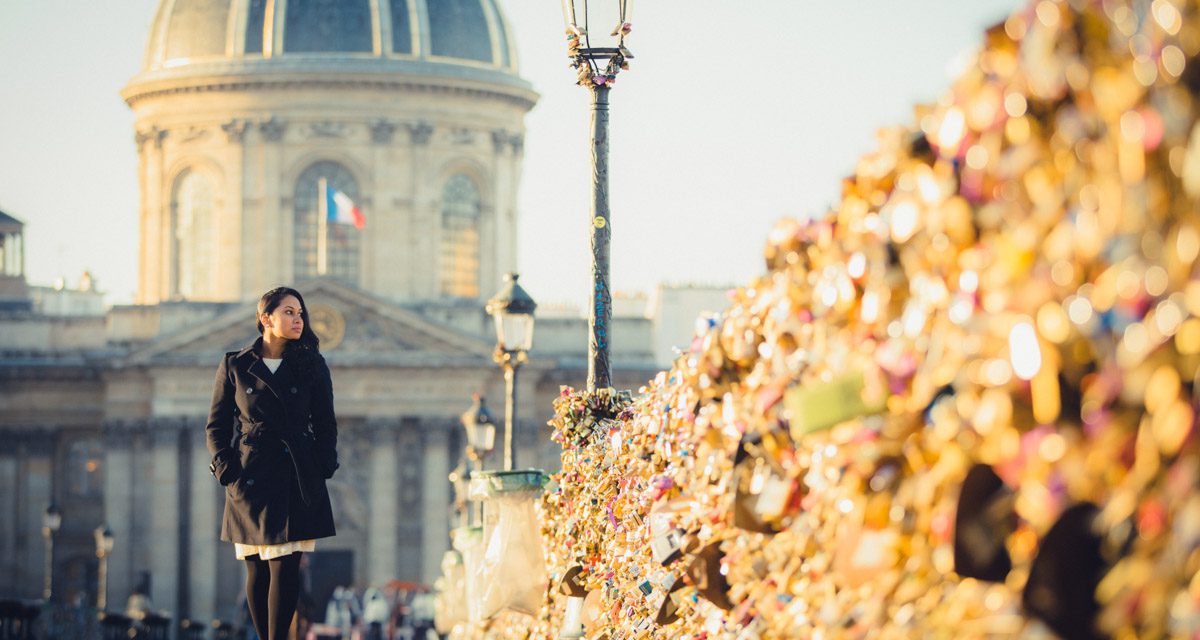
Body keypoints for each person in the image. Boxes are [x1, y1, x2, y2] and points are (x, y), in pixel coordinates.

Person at [206, 286, 340, 640]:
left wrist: (323, 465)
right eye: (289, 312)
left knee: (285, 564)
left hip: (295, 472)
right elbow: (217, 424)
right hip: (249, 473)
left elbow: (326, 422)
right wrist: (226, 470)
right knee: (257, 569)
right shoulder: (235, 364)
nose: (298, 320)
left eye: (300, 313)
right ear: (266, 318)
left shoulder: (311, 364)